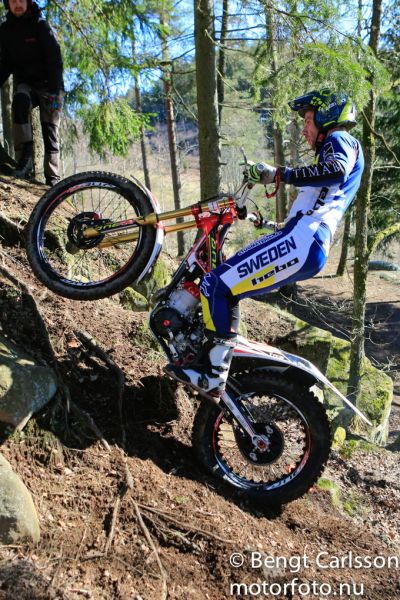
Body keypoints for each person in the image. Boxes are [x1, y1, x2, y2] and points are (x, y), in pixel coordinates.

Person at [166, 89, 364, 398]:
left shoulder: (340, 140)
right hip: (304, 241)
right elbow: (317, 205)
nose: (305, 130)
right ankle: (212, 362)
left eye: (308, 120)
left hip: (303, 240)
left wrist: (279, 174)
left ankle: (213, 375)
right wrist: (268, 224)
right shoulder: (336, 151)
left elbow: (335, 172)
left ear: (327, 116)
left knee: (215, 284)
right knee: (227, 287)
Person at [0, 0, 64, 185]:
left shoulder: (40, 25)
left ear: (28, 2)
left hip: (50, 85)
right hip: (27, 84)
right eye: (13, 1)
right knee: (20, 102)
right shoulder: (5, 30)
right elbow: (6, 63)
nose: (17, 4)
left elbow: (55, 59)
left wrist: (54, 91)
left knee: (50, 129)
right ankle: (24, 163)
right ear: (7, 4)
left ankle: (53, 178)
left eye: (21, 0)